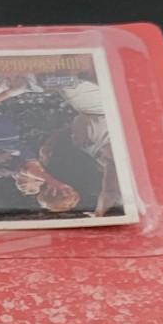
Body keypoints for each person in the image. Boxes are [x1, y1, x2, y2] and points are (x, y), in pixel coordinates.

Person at [0, 78, 81, 214]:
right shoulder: (30, 170)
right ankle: (4, 86)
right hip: (1, 134)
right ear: (40, 183)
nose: (24, 189)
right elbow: (39, 174)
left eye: (23, 191)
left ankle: (14, 89)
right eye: (31, 190)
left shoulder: (1, 172)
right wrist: (55, 183)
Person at [37, 72, 123, 216]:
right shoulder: (107, 162)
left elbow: (110, 191)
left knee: (47, 80)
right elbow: (110, 191)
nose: (71, 199)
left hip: (86, 107)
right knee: (50, 80)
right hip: (100, 107)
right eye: (70, 202)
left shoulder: (54, 162)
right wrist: (99, 213)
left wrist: (100, 214)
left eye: (63, 197)